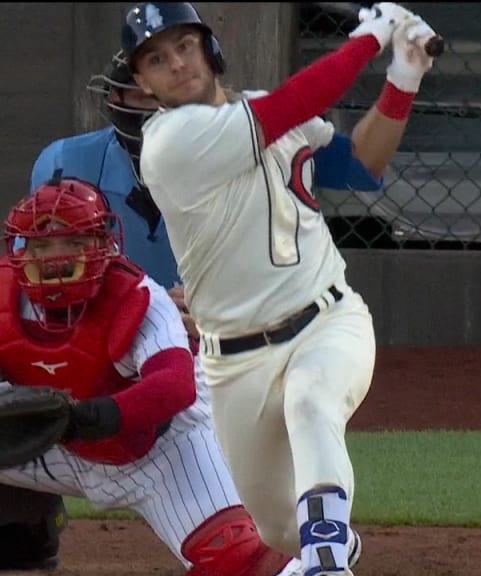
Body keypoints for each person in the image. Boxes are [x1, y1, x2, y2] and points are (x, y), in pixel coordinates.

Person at [122, 2, 437, 574]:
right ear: (142, 83)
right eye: (156, 58)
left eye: (184, 45)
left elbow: (362, 164)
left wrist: (403, 79)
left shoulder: (268, 111)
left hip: (327, 320)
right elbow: (290, 105)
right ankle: (327, 543)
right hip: (234, 362)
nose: (176, 62)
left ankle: (325, 559)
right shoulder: (170, 142)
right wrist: (368, 39)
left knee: (312, 400)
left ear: (209, 48)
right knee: (276, 526)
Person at [0, 177, 312, 575]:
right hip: (57, 448)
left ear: (101, 246)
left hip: (162, 450)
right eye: (42, 246)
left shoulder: (139, 297)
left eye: (73, 244)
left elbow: (173, 386)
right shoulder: (4, 294)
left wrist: (90, 417)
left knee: (232, 558)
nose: (54, 259)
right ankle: (19, 534)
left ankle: (320, 564)